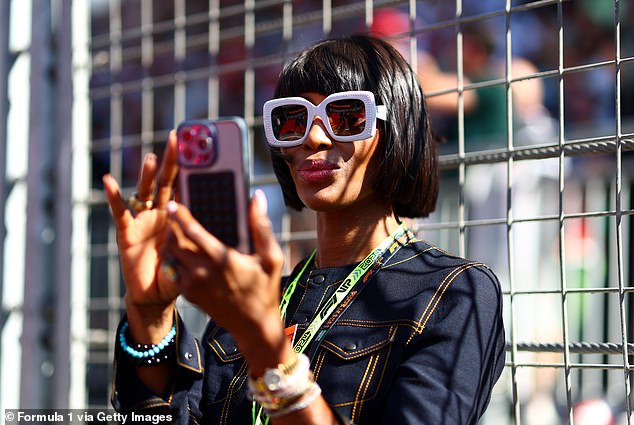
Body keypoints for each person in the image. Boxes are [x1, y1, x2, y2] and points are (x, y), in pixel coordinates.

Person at [103, 34, 505, 425]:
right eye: (292, 121)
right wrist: (151, 317)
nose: (313, 137)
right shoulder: (253, 302)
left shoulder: (455, 293)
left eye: (346, 116)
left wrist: (265, 345)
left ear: (396, 129)